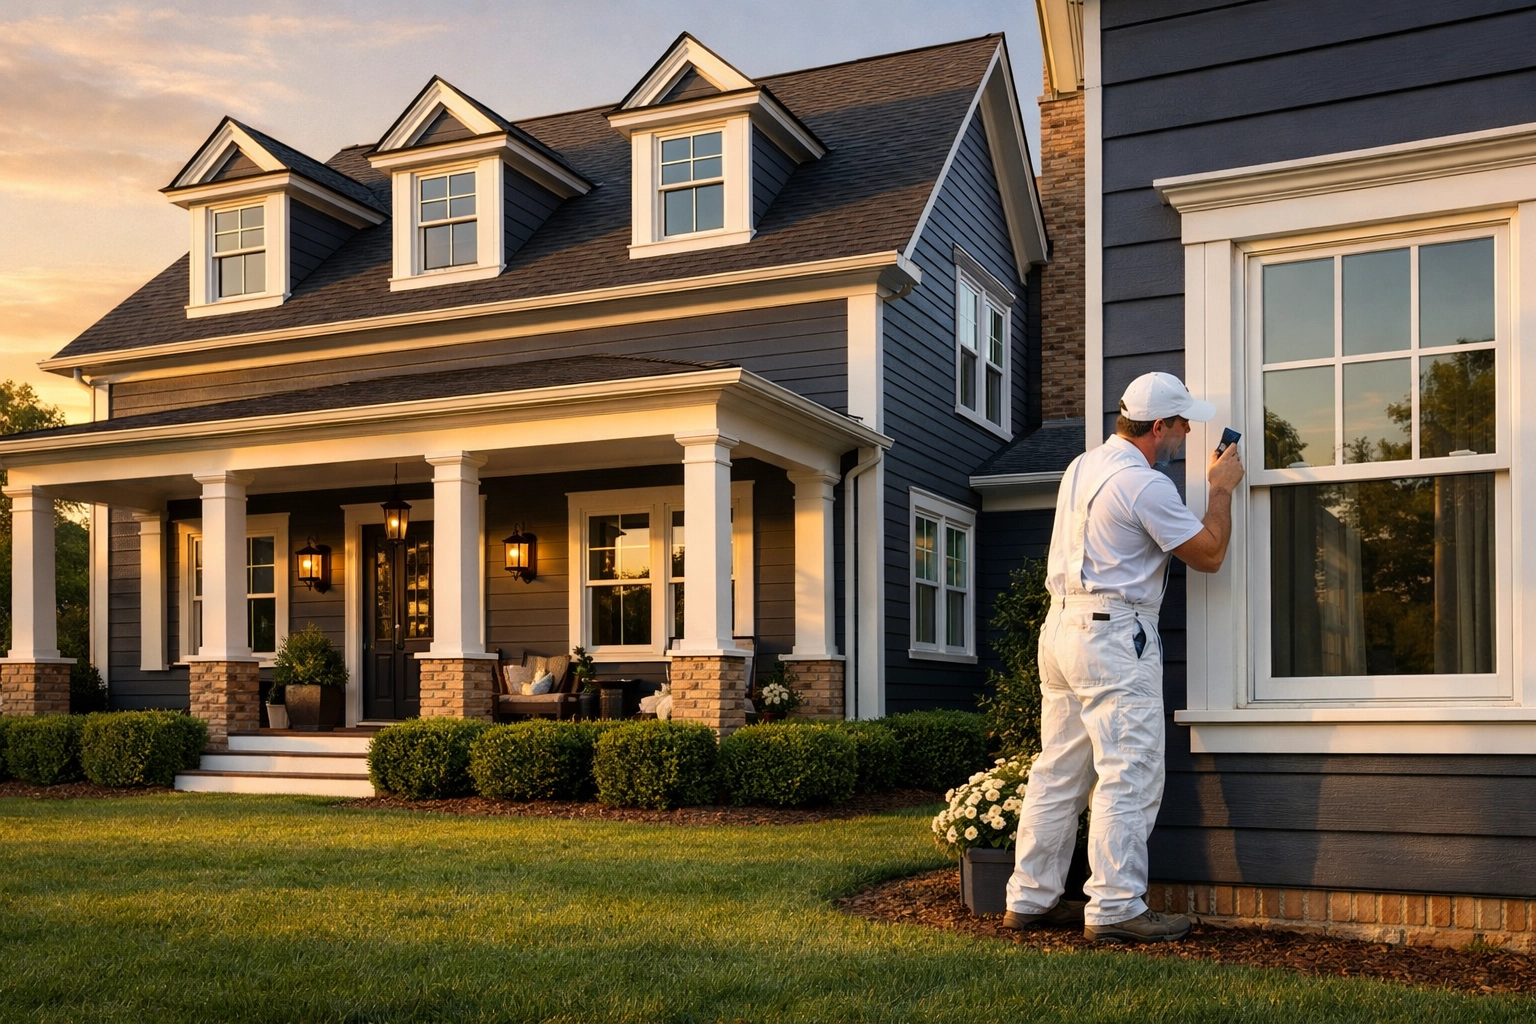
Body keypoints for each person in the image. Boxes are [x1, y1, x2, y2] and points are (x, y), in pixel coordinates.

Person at [1001, 371, 1244, 943]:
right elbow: (1208, 555)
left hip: (1060, 628)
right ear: (1158, 426)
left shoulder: (1081, 467)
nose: (1187, 431)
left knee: (1058, 770)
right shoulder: (1144, 485)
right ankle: (1114, 908)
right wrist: (1221, 488)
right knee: (1128, 772)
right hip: (1113, 634)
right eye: (1182, 422)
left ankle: (1030, 898)